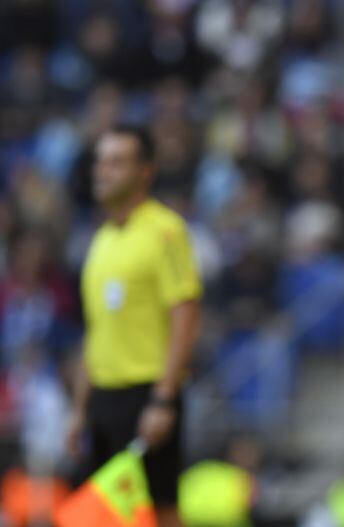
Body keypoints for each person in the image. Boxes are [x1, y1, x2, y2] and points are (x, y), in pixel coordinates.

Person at [66, 125, 202, 527]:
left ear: (145, 171)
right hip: (104, 399)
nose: (103, 171)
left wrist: (163, 399)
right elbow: (96, 331)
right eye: (101, 161)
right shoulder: (101, 240)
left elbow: (186, 314)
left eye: (117, 162)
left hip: (145, 394)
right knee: (110, 516)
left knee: (161, 513)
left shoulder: (165, 230)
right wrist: (79, 409)